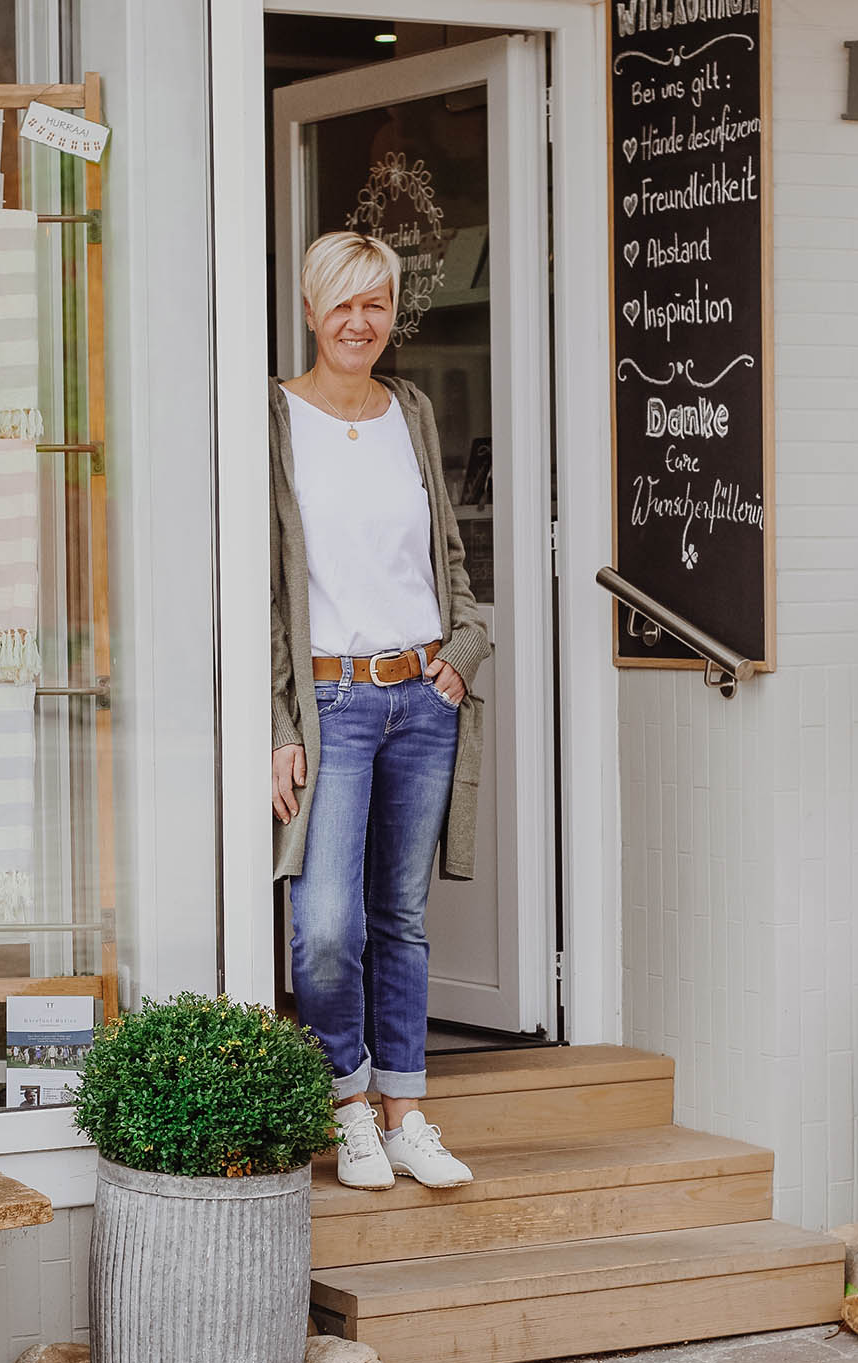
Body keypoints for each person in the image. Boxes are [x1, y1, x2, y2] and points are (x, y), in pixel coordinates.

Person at [269, 229, 491, 1192]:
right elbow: (260, 590)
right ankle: (347, 1100)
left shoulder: (411, 409)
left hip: (421, 694)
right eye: (341, 303)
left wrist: (463, 655)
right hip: (331, 700)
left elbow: (445, 556)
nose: (359, 322)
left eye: (376, 304)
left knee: (398, 915)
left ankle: (406, 1112)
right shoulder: (272, 419)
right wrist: (279, 723)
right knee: (325, 926)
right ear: (311, 310)